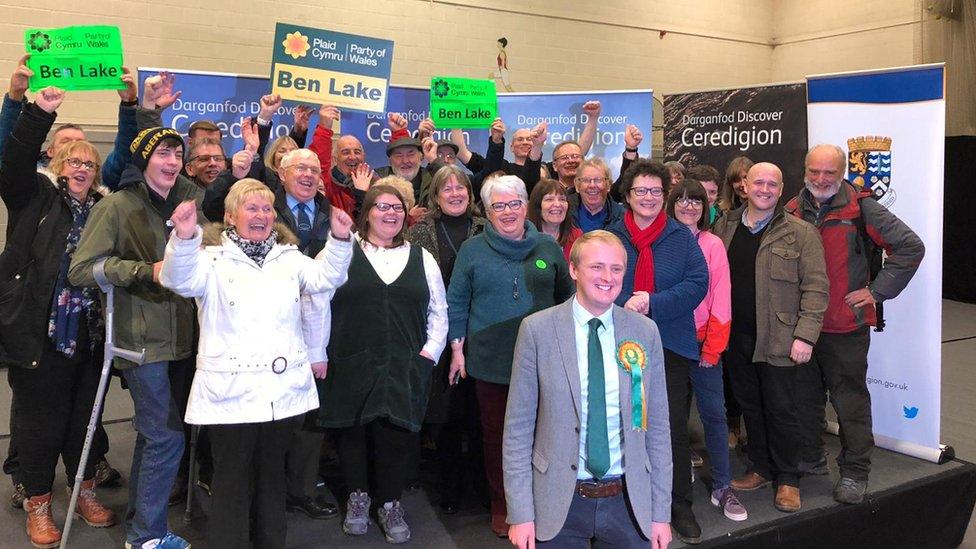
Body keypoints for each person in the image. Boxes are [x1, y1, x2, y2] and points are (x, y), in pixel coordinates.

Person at [160, 179, 353, 548]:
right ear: (231, 217)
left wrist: (340, 240)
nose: (261, 215)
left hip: (281, 392)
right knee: (231, 479)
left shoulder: (290, 257)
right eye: (251, 208)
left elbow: (326, 278)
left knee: (271, 478)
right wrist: (183, 239)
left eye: (266, 208)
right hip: (231, 395)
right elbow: (177, 279)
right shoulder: (209, 258)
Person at [69, 125, 205, 549]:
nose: (171, 162)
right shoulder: (116, 206)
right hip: (140, 341)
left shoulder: (187, 201)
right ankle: (146, 534)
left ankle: (143, 525)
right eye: (163, 154)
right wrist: (143, 270)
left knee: (156, 436)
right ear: (143, 160)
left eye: (177, 155)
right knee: (165, 437)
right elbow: (81, 270)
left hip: (184, 336)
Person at [0, 87, 118, 548]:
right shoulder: (34, 198)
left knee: (84, 420)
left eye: (89, 162)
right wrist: (39, 111)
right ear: (56, 165)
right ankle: (39, 505)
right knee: (40, 424)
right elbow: (14, 160)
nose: (82, 168)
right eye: (73, 161)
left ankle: (84, 493)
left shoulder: (103, 210)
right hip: (41, 333)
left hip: (91, 333)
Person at [504, 231, 672, 549]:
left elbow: (659, 429)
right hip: (557, 502)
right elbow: (517, 431)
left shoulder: (645, 331)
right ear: (573, 269)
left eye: (616, 268)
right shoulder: (537, 330)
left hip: (629, 501)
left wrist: (661, 512)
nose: (607, 277)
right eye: (596, 267)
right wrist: (520, 513)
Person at [787, 144, 924, 504]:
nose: (820, 179)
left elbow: (910, 247)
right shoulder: (791, 209)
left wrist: (876, 292)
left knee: (850, 405)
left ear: (842, 172)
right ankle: (811, 458)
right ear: (805, 170)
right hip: (804, 328)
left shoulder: (862, 209)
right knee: (804, 400)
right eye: (814, 171)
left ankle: (855, 472)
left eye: (829, 172)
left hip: (845, 328)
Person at [317, 185, 448, 544]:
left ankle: (390, 503)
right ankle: (358, 497)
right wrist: (319, 351)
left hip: (406, 364)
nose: (391, 213)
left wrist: (430, 352)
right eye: (382, 206)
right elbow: (316, 301)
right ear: (367, 212)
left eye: (398, 208)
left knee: (397, 437)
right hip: (351, 361)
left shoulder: (422, 257)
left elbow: (439, 310)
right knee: (353, 432)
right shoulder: (342, 251)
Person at [447, 174, 574, 537]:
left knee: (545, 435)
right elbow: (456, 302)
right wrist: (458, 350)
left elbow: (568, 297)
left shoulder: (548, 249)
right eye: (498, 206)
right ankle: (504, 506)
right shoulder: (472, 250)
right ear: (486, 211)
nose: (507, 211)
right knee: (497, 438)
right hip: (490, 361)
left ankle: (544, 503)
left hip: (543, 361)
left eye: (514, 203)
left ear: (525, 206)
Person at [712, 162, 828, 515]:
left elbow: (816, 289)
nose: (764, 189)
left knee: (782, 409)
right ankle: (761, 468)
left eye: (772, 184)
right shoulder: (724, 227)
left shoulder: (802, 232)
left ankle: (789, 479)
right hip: (736, 338)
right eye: (757, 182)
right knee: (751, 407)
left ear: (781, 190)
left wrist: (806, 336)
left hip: (781, 338)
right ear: (744, 185)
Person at [607, 159, 708, 544]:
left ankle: (678, 505)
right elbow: (600, 281)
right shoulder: (612, 236)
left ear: (665, 195)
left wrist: (653, 303)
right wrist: (623, 304)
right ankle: (628, 503)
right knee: (627, 426)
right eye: (640, 191)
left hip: (670, 346)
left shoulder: (682, 238)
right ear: (628, 196)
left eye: (655, 191)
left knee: (670, 431)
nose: (648, 198)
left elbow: (698, 283)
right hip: (621, 346)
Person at [405, 165, 487, 514]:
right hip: (438, 332)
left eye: (461, 188)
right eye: (447, 188)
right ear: (435, 196)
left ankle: (482, 488)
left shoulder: (487, 227)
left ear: (470, 195)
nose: (455, 193)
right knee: (446, 417)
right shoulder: (420, 231)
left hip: (481, 331)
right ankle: (450, 489)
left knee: (480, 415)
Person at [665, 179, 747, 522]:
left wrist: (712, 347)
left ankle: (723, 485)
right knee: (673, 417)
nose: (689, 206)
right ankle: (675, 480)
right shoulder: (663, 241)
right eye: (682, 200)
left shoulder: (712, 244)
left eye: (696, 201)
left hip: (703, 343)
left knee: (713, 413)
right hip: (668, 343)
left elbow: (721, 299)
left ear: (706, 207)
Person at [527, 178, 581, 261]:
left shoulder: (577, 237)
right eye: (549, 199)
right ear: (537, 206)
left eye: (562, 199)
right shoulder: (524, 238)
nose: (557, 204)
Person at [570, 157, 623, 232]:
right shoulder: (564, 212)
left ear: (608, 185)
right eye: (586, 180)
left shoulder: (623, 217)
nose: (592, 185)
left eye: (598, 180)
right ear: (577, 186)